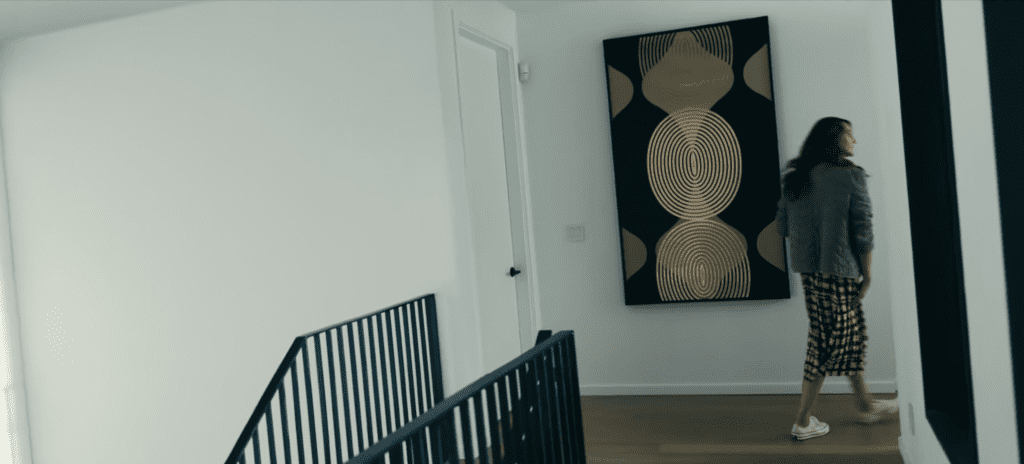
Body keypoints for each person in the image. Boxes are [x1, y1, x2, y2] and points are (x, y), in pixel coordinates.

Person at [774, 117, 898, 441]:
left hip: (810, 273)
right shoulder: (850, 177)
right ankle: (802, 421)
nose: (854, 141)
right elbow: (863, 231)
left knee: (846, 334)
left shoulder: (795, 178)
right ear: (834, 139)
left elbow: (782, 226)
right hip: (840, 272)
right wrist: (868, 274)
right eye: (849, 134)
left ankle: (866, 404)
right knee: (828, 342)